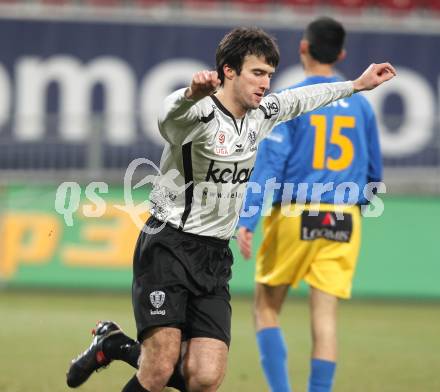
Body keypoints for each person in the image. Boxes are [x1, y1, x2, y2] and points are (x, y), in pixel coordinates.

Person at [66, 26, 395, 392]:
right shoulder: (197, 115)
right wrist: (190, 93)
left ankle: (114, 344)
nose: (265, 83)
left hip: (214, 256)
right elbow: (167, 116)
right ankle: (120, 346)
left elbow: (304, 98)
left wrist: (356, 85)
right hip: (169, 245)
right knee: (159, 365)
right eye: (257, 73)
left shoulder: (261, 113)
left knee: (205, 377)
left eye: (270, 74)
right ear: (228, 71)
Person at [236, 18, 383, 392]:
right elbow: (373, 173)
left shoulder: (290, 101)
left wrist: (248, 218)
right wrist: (356, 210)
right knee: (326, 319)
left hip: (294, 214)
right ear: (342, 54)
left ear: (303, 47)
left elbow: (269, 165)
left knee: (266, 308)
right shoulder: (361, 106)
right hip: (344, 217)